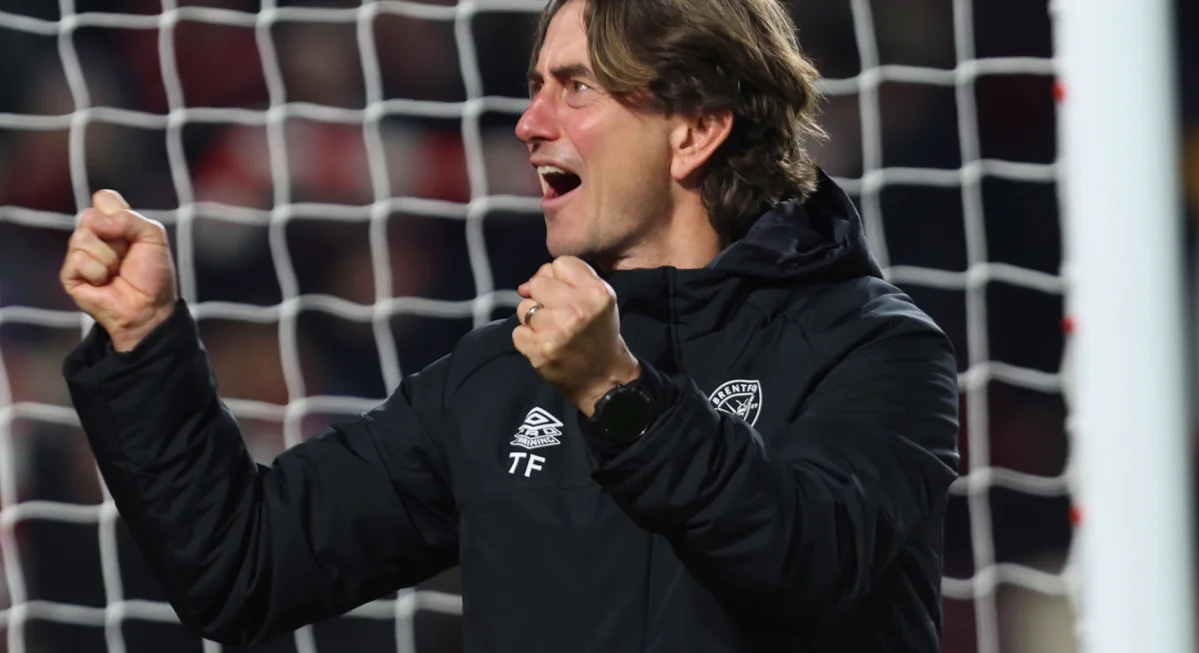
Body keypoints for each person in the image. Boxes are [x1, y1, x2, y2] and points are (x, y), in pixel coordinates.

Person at [58, 0, 960, 651]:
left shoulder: (874, 345)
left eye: (575, 88)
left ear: (694, 131)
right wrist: (146, 343)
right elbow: (243, 563)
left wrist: (616, 394)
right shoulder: (498, 374)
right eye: (535, 87)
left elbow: (805, 559)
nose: (529, 123)